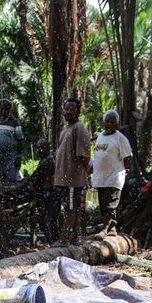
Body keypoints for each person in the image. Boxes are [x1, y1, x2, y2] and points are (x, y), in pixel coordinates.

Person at [53, 97, 91, 243]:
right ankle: (75, 237)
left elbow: (85, 155)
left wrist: (84, 173)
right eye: (66, 109)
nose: (68, 112)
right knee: (71, 208)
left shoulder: (79, 127)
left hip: (73, 179)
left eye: (72, 109)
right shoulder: (65, 130)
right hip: (64, 178)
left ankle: (65, 238)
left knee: (71, 209)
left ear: (78, 111)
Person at [91, 110, 133, 229]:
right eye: (107, 121)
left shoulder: (120, 138)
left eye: (112, 122)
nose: (109, 124)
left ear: (116, 124)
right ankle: (112, 228)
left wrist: (126, 170)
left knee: (110, 204)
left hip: (114, 176)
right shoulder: (100, 136)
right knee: (103, 205)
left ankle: (105, 229)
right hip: (100, 178)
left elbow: (127, 156)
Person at [19, 138, 60, 242]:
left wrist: (19, 186)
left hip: (49, 195)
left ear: (48, 148)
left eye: (42, 147)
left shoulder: (47, 161)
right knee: (47, 221)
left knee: (49, 221)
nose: (39, 150)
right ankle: (53, 241)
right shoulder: (46, 160)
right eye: (37, 147)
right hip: (48, 195)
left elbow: (34, 178)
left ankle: (54, 242)